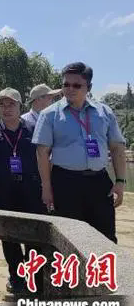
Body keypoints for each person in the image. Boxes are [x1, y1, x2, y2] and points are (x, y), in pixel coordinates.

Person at [33, 62, 127, 244]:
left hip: (99, 183)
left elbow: (117, 148)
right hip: (65, 183)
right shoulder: (49, 115)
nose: (70, 89)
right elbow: (42, 153)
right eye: (66, 84)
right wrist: (46, 188)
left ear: (88, 87)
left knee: (106, 239)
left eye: (76, 85)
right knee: (70, 241)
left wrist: (120, 182)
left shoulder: (104, 112)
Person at [0, 88, 46, 294]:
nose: (6, 109)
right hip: (4, 190)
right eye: (2, 104)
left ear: (20, 106)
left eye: (11, 104)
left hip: (31, 189)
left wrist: (47, 187)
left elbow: (44, 160)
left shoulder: (33, 130)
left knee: (33, 235)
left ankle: (35, 278)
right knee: (8, 236)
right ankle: (16, 277)